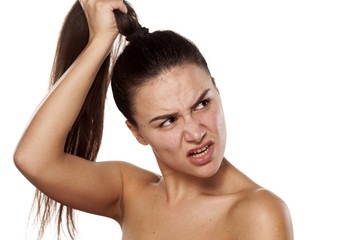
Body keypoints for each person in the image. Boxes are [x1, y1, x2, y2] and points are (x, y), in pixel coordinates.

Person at [14, 0, 293, 239]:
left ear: (217, 90)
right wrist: (100, 42)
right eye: (169, 120)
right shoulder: (129, 193)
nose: (196, 133)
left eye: (202, 103)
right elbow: (34, 159)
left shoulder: (259, 212)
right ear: (137, 133)